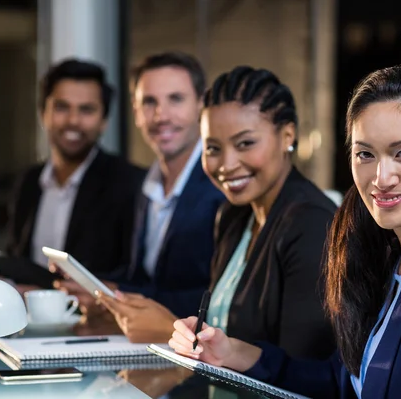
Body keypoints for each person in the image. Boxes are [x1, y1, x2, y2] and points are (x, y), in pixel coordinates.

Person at [167, 65, 401, 398]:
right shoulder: (385, 258)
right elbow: (339, 384)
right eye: (365, 154)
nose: (381, 178)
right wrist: (231, 352)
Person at [101, 66, 337, 359]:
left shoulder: (313, 224)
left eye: (245, 143)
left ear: (287, 135)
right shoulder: (233, 216)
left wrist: (169, 331)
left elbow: (302, 371)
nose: (226, 164)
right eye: (212, 148)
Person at [57, 52, 225, 341]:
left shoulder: (220, 184)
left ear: (200, 105)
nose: (161, 115)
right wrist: (100, 288)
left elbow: (220, 298)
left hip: (200, 356)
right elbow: (147, 279)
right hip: (152, 348)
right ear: (135, 111)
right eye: (149, 102)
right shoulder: (147, 185)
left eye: (176, 99)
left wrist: (118, 295)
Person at [0, 59, 146, 294]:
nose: (73, 121)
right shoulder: (28, 182)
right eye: (61, 107)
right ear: (43, 113)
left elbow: (131, 276)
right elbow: (18, 258)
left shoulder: (130, 184)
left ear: (104, 121)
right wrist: (2, 279)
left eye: (86, 110)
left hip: (95, 327)